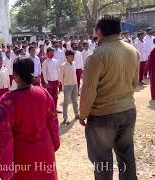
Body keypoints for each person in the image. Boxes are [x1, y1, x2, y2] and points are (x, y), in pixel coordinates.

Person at [79, 15, 139, 180]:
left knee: (102, 160)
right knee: (127, 155)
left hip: (103, 116)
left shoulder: (97, 55)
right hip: (128, 111)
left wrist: (83, 114)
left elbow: (88, 91)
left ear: (99, 31)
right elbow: (134, 83)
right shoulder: (133, 51)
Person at [0, 57, 60, 180]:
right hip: (45, 151)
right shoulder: (44, 93)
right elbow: (53, 124)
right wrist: (54, 144)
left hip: (22, 155)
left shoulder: (7, 100)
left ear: (15, 76)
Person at [59, 50, 79, 124]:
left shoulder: (74, 63)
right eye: (71, 56)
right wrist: (64, 85)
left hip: (75, 84)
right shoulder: (63, 65)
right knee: (66, 102)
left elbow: (75, 74)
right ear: (67, 57)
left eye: (73, 56)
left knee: (75, 101)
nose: (73, 58)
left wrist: (76, 83)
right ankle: (65, 117)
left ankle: (76, 114)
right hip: (67, 85)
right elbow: (61, 78)